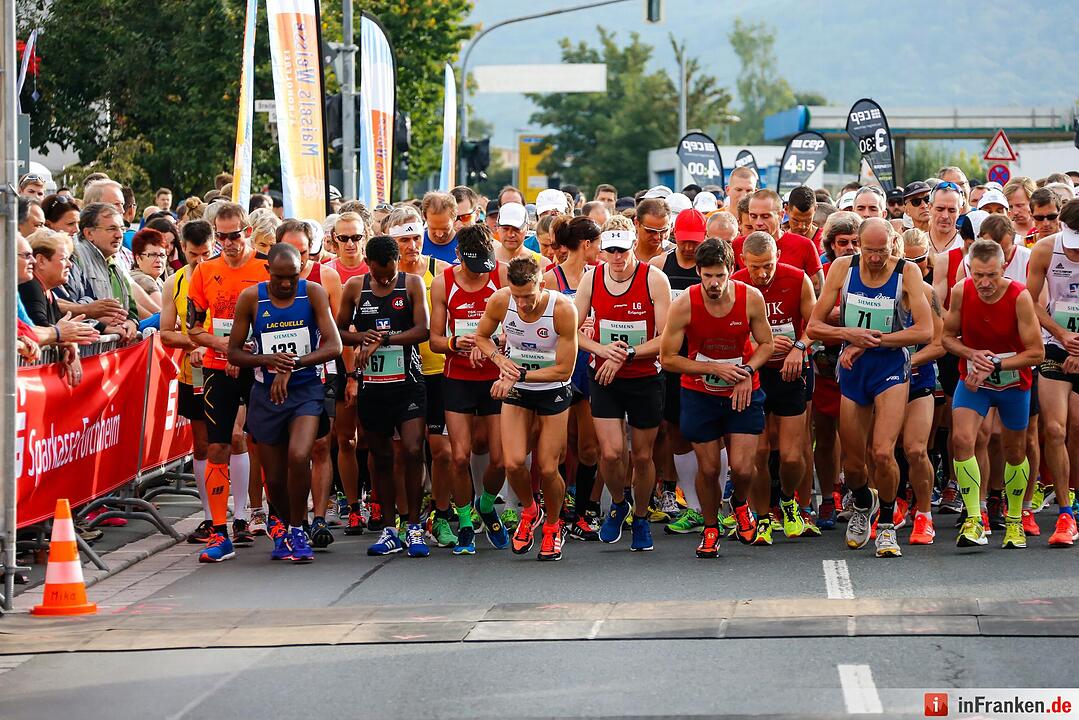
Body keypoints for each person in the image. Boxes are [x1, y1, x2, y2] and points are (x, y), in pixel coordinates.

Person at [807, 217, 933, 558]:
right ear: (859, 244)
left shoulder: (906, 272)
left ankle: (889, 524)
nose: (875, 258)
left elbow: (925, 331)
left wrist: (875, 341)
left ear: (892, 244)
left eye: (882, 250)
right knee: (853, 464)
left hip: (890, 367)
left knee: (882, 452)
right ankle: (864, 502)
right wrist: (850, 335)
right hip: (853, 368)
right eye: (869, 250)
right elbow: (814, 325)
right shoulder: (842, 269)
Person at [228, 243, 342, 563]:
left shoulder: (314, 293)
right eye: (279, 278)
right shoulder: (252, 298)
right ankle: (280, 523)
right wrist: (269, 360)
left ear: (301, 269)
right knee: (274, 478)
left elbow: (333, 345)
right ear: (268, 273)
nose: (285, 284)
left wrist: (294, 364)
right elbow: (235, 353)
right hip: (267, 395)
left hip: (306, 391)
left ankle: (297, 528)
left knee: (300, 453)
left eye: (291, 277)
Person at [660, 238, 773, 557]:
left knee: (742, 468)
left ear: (731, 272)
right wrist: (709, 368)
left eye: (720, 276)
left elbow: (766, 343)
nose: (713, 283)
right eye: (707, 275)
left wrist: (747, 372)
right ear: (698, 272)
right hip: (700, 393)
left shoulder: (751, 298)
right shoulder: (684, 304)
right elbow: (668, 358)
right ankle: (711, 528)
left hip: (743, 390)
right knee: (708, 470)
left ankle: (739, 504)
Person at [474, 256, 579, 561]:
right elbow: (481, 336)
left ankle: (553, 526)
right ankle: (530, 510)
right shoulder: (500, 300)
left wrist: (519, 374)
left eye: (528, 296)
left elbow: (563, 370)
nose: (521, 304)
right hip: (518, 389)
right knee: (514, 462)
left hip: (552, 391)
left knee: (548, 467)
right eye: (516, 296)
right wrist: (500, 361)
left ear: (541, 286)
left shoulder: (561, 310)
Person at [574, 226, 672, 552]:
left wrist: (628, 354)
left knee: (642, 456)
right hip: (604, 375)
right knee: (612, 452)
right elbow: (571, 332)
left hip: (644, 376)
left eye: (622, 250)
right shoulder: (591, 279)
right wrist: (602, 352)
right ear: (602, 250)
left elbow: (667, 339)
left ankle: (641, 517)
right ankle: (619, 502)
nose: (616, 258)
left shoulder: (654, 279)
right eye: (610, 251)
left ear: (633, 246)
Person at [943, 239, 1043, 548]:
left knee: (1014, 451)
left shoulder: (1019, 296)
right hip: (975, 380)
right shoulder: (961, 291)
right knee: (962, 440)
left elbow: (1036, 353)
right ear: (969, 270)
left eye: (991, 275)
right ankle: (974, 518)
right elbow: (947, 338)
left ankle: (1014, 520)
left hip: (1013, 383)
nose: (984, 283)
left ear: (1003, 268)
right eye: (978, 275)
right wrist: (972, 354)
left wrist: (995, 363)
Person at [337, 235, 431, 558]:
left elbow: (423, 331)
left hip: (408, 383)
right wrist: (364, 337)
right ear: (369, 264)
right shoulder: (355, 287)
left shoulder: (412, 284)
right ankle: (390, 528)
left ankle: (415, 526)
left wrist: (386, 339)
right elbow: (338, 331)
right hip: (373, 386)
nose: (384, 279)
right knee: (382, 458)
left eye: (389, 273)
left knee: (413, 449)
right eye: (379, 274)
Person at [186, 202, 266, 562]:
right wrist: (224, 346)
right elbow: (193, 327)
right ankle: (219, 532)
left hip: (260, 366)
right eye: (222, 237)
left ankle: (274, 521)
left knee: (266, 443)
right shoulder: (204, 271)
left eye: (235, 236)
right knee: (217, 445)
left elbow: (284, 319)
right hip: (219, 367)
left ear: (247, 232)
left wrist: (248, 351)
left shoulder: (265, 266)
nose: (228, 243)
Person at [428, 224, 511, 554]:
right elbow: (434, 340)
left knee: (502, 460)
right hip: (458, 378)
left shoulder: (502, 276)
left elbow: (520, 328)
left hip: (496, 378)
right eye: (474, 268)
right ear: (459, 256)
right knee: (459, 456)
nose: (480, 275)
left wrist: (492, 342)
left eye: (484, 268)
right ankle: (464, 522)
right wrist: (454, 341)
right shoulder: (442, 283)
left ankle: (487, 505)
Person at [732, 231, 817, 543]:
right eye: (755, 267)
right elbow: (728, 330)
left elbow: (815, 324)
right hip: (754, 374)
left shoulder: (797, 279)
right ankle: (763, 514)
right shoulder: (737, 282)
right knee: (761, 450)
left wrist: (799, 347)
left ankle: (788, 500)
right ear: (743, 261)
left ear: (778, 257)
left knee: (793, 456)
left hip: (790, 371)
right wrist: (755, 344)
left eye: (768, 265)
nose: (762, 274)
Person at [384, 206, 454, 546]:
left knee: (441, 450)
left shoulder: (442, 272)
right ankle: (402, 517)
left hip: (439, 370)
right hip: (401, 373)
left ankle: (441, 515)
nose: (412, 246)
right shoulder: (384, 280)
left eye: (416, 237)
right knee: (404, 453)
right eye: (403, 240)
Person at [277, 220, 343, 548]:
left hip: (320, 371)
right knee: (291, 451)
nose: (297, 261)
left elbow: (339, 330)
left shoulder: (325, 277)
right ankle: (295, 518)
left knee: (319, 445)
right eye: (290, 253)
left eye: (303, 253)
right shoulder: (268, 281)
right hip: (278, 376)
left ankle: (318, 518)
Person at [1026, 199, 1079, 546]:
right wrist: (1062, 335)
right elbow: (1028, 301)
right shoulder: (1045, 249)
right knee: (1055, 428)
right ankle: (1064, 512)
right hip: (1057, 347)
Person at [651, 209, 709, 533]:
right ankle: (687, 499)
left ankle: (712, 497)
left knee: (710, 431)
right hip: (672, 357)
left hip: (705, 355)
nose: (689, 249)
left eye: (695, 243)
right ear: (675, 236)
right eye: (685, 242)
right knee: (674, 427)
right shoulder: (661, 265)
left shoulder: (711, 267)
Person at [159, 220, 216, 542]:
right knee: (203, 443)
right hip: (192, 372)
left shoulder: (224, 275)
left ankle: (246, 515)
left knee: (238, 438)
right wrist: (192, 344)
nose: (200, 261)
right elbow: (167, 332)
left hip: (227, 367)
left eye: (206, 253)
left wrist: (208, 345)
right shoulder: (175, 283)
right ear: (183, 249)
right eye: (193, 254)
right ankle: (210, 517)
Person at [897, 230, 945, 544]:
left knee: (916, 449)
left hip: (919, 379)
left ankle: (924, 514)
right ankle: (892, 505)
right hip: (882, 381)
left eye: (920, 260)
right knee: (881, 452)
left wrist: (909, 361)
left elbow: (940, 343)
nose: (915, 266)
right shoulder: (881, 289)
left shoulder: (928, 293)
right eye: (908, 260)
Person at [71, 202, 140, 342]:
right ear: (89, 233)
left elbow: (132, 309)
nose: (119, 235)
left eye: (122, 228)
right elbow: (67, 308)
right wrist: (101, 325)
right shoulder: (75, 258)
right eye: (111, 229)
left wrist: (131, 323)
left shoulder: (115, 265)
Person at [735, 189, 823, 293]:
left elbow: (819, 290)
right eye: (753, 216)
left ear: (781, 215)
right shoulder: (738, 245)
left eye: (765, 216)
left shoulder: (804, 245)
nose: (758, 222)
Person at [128, 228, 169, 311]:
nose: (158, 260)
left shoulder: (159, 281)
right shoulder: (143, 279)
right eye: (152, 255)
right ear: (138, 258)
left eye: (162, 255)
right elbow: (166, 313)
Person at [422, 191, 460, 265]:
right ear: (424, 216)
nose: (439, 234)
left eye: (445, 228)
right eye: (433, 228)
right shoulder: (416, 245)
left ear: (455, 216)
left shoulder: (466, 246)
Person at [927, 182, 965, 256]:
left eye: (952, 210)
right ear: (930, 208)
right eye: (940, 209)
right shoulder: (919, 243)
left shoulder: (966, 245)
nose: (945, 216)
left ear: (960, 211)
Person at [632, 198, 671, 262]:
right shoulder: (622, 254)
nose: (657, 237)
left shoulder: (675, 257)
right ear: (636, 223)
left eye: (663, 231)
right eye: (650, 231)